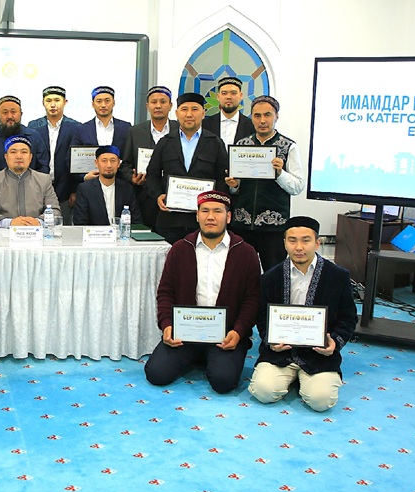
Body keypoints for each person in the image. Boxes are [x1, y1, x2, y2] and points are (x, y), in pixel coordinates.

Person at [144, 191, 260, 394]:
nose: (211, 217)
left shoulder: (245, 252)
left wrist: (238, 332)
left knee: (223, 382)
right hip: (185, 334)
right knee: (157, 374)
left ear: (228, 217)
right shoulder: (180, 249)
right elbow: (165, 292)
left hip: (225, 336)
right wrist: (167, 325)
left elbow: (252, 299)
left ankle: (209, 359)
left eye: (217, 211)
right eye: (205, 211)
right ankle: (197, 357)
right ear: (197, 216)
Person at [249, 216, 357, 412]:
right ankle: (293, 377)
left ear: (317, 243)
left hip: (319, 355)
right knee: (263, 392)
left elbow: (348, 317)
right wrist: (269, 340)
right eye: (292, 240)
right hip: (280, 353)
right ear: (284, 243)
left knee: (320, 401)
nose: (299, 247)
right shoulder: (270, 277)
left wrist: (335, 342)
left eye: (306, 240)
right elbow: (262, 317)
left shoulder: (338, 276)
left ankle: (305, 380)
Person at [226, 95, 305, 271]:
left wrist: (279, 173)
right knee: (241, 274)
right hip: (242, 225)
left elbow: (297, 186)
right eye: (257, 115)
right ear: (252, 117)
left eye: (267, 115)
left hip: (274, 228)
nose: (262, 120)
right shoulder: (241, 145)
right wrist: (233, 185)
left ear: (276, 116)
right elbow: (235, 188)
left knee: (273, 275)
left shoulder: (288, 147)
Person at [144, 92, 229, 244]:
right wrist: (158, 195)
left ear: (203, 113)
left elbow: (222, 179)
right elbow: (152, 175)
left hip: (203, 222)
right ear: (177, 114)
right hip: (170, 221)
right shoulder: (165, 142)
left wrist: (212, 204)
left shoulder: (215, 143)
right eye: (184, 109)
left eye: (195, 109)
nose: (189, 114)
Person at [121, 86, 179, 231]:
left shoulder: (180, 129)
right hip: (144, 197)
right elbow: (126, 164)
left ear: (170, 105)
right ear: (147, 106)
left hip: (174, 197)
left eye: (163, 102)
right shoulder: (135, 131)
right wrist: (132, 178)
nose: (158, 106)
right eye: (154, 102)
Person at [0, 135, 60, 227]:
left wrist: (38, 222)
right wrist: (9, 223)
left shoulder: (43, 180)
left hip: (36, 231)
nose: (19, 156)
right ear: (6, 157)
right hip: (4, 233)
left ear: (30, 157)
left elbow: (55, 211)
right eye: (13, 152)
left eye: (24, 152)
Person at [70, 86, 132, 205]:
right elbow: (71, 160)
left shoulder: (126, 128)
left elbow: (129, 157)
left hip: (120, 187)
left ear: (114, 103)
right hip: (90, 188)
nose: (103, 105)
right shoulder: (82, 129)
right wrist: (84, 177)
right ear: (93, 104)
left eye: (107, 101)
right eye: (99, 101)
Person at [28, 86, 79, 223]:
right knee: (37, 225)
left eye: (57, 100)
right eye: (48, 100)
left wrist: (75, 190)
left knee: (63, 227)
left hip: (66, 189)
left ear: (65, 102)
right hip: (37, 188)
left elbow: (77, 162)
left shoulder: (76, 127)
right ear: (43, 103)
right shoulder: (33, 127)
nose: (52, 104)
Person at [0, 96, 50, 178]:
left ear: (21, 114)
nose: (9, 116)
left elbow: (43, 166)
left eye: (13, 112)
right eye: (5, 112)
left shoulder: (34, 136)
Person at [72, 145, 142, 226]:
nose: (109, 165)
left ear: (119, 164)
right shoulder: (85, 189)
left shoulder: (127, 189)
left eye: (113, 161)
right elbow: (80, 223)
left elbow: (136, 221)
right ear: (96, 163)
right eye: (104, 161)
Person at [202, 76, 255, 145]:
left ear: (241, 96)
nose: (228, 97)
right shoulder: (205, 125)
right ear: (218, 97)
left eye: (233, 93)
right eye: (224, 93)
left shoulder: (252, 126)